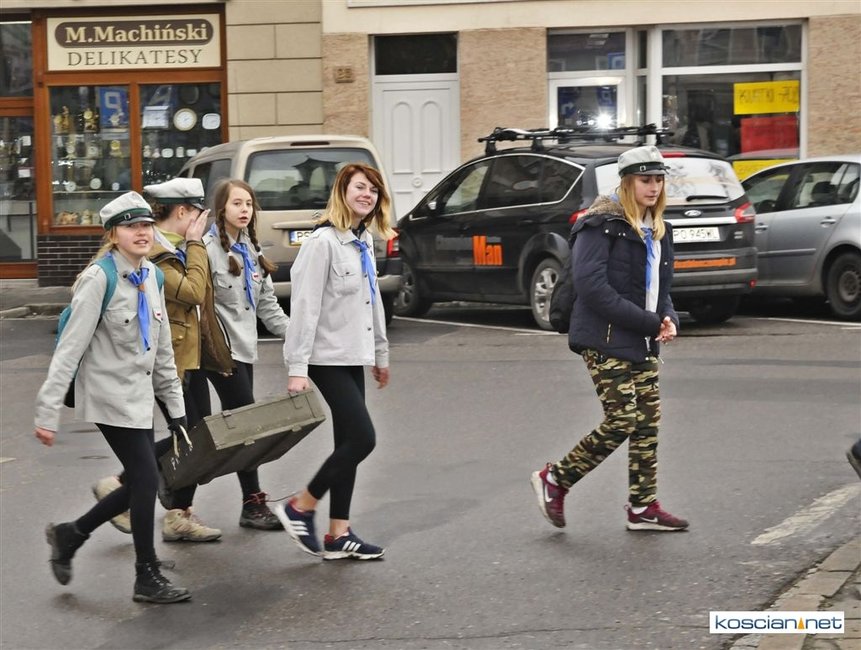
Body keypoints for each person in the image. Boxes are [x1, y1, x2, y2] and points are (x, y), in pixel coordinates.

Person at [35, 191, 191, 604]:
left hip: (138, 395)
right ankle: (146, 575)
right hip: (108, 396)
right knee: (145, 478)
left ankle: (71, 534)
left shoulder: (152, 276)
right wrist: (47, 413)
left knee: (142, 479)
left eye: (146, 225)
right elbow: (68, 350)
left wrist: (175, 409)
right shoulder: (98, 279)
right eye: (131, 226)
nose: (142, 233)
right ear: (113, 234)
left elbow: (162, 350)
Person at [530, 145, 689, 533]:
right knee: (622, 419)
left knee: (647, 423)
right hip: (603, 338)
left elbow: (658, 287)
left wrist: (667, 317)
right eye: (645, 180)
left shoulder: (659, 229)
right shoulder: (599, 225)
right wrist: (650, 322)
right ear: (627, 182)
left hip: (641, 338)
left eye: (658, 180)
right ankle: (556, 478)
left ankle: (642, 506)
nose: (653, 187)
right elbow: (592, 287)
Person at [91, 177, 235, 542]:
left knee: (196, 436)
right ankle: (124, 486)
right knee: (191, 434)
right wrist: (196, 243)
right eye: (200, 213)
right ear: (183, 212)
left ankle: (177, 512)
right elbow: (193, 292)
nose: (204, 221)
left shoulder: (178, 248)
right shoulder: (155, 252)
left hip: (191, 356)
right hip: (170, 361)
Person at [274, 163, 394, 561]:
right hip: (325, 357)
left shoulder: (362, 242)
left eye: (373, 190)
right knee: (363, 438)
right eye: (360, 187)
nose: (367, 195)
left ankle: (338, 533)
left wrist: (379, 354)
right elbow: (304, 308)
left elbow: (372, 304)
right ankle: (300, 506)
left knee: (348, 443)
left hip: (352, 354)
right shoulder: (322, 242)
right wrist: (297, 368)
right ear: (342, 192)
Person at [202, 178, 290, 530]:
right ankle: (252, 503)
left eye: (249, 204)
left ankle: (152, 486)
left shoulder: (251, 249)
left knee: (220, 428)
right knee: (246, 425)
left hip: (244, 349)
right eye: (237, 203)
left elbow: (267, 304)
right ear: (221, 208)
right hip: (219, 353)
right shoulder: (206, 250)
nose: (244, 210)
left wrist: (297, 338)